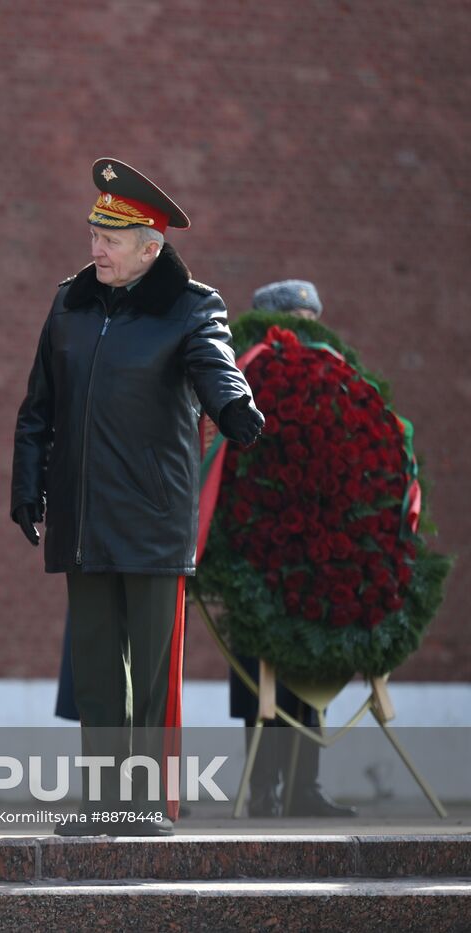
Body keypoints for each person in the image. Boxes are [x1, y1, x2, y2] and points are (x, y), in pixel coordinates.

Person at [11, 158, 265, 836]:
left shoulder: (191, 305)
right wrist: (27, 483)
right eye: (95, 232)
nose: (96, 247)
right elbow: (40, 406)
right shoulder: (69, 302)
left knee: (150, 678)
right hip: (83, 516)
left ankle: (144, 803)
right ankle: (103, 804)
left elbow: (215, 362)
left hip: (153, 518)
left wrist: (235, 404)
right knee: (97, 670)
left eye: (112, 238)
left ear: (151, 248)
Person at [228, 279, 357, 818]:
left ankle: (305, 787)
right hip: (255, 546)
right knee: (257, 676)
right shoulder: (243, 376)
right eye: (297, 321)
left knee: (310, 667)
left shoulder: (332, 380)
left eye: (313, 321)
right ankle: (264, 788)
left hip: (314, 552)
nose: (309, 333)